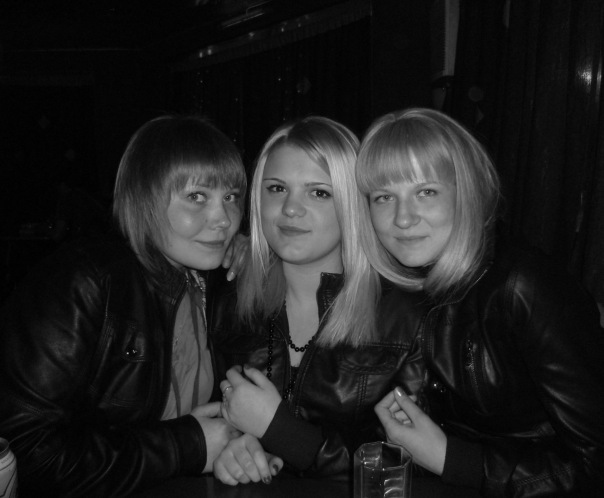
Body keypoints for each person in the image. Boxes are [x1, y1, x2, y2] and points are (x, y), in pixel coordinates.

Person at [0, 115, 264, 497]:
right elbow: (24, 451)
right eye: (196, 196)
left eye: (231, 197)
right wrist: (185, 446)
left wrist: (232, 440)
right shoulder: (85, 282)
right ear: (145, 199)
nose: (224, 219)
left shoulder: (212, 280)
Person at [354, 108, 604, 496]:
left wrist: (452, 459)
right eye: (384, 197)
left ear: (466, 191)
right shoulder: (405, 285)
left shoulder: (523, 287)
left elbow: (595, 465)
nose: (402, 218)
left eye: (426, 192)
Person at [212, 116, 427, 484]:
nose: (291, 208)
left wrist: (282, 432)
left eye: (319, 193)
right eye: (276, 188)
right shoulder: (227, 299)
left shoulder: (406, 315)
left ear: (352, 204)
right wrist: (229, 444)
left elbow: (413, 463)